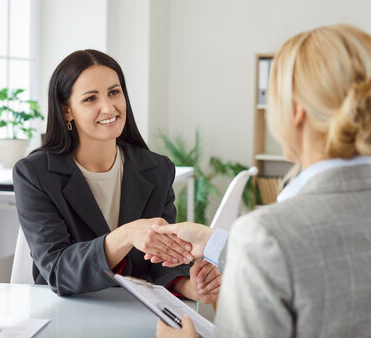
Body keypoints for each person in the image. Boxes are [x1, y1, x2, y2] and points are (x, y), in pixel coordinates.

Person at [152, 25, 371, 337]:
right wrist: (214, 242)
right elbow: (325, 264)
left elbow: (294, 252)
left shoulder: (266, 235)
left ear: (296, 110)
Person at [12, 49, 220, 300]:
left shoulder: (157, 170)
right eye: (90, 99)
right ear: (67, 111)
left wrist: (191, 287)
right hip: (68, 311)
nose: (108, 107)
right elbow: (58, 271)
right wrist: (126, 235)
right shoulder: (34, 174)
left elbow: (162, 262)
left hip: (138, 311)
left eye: (114, 92)